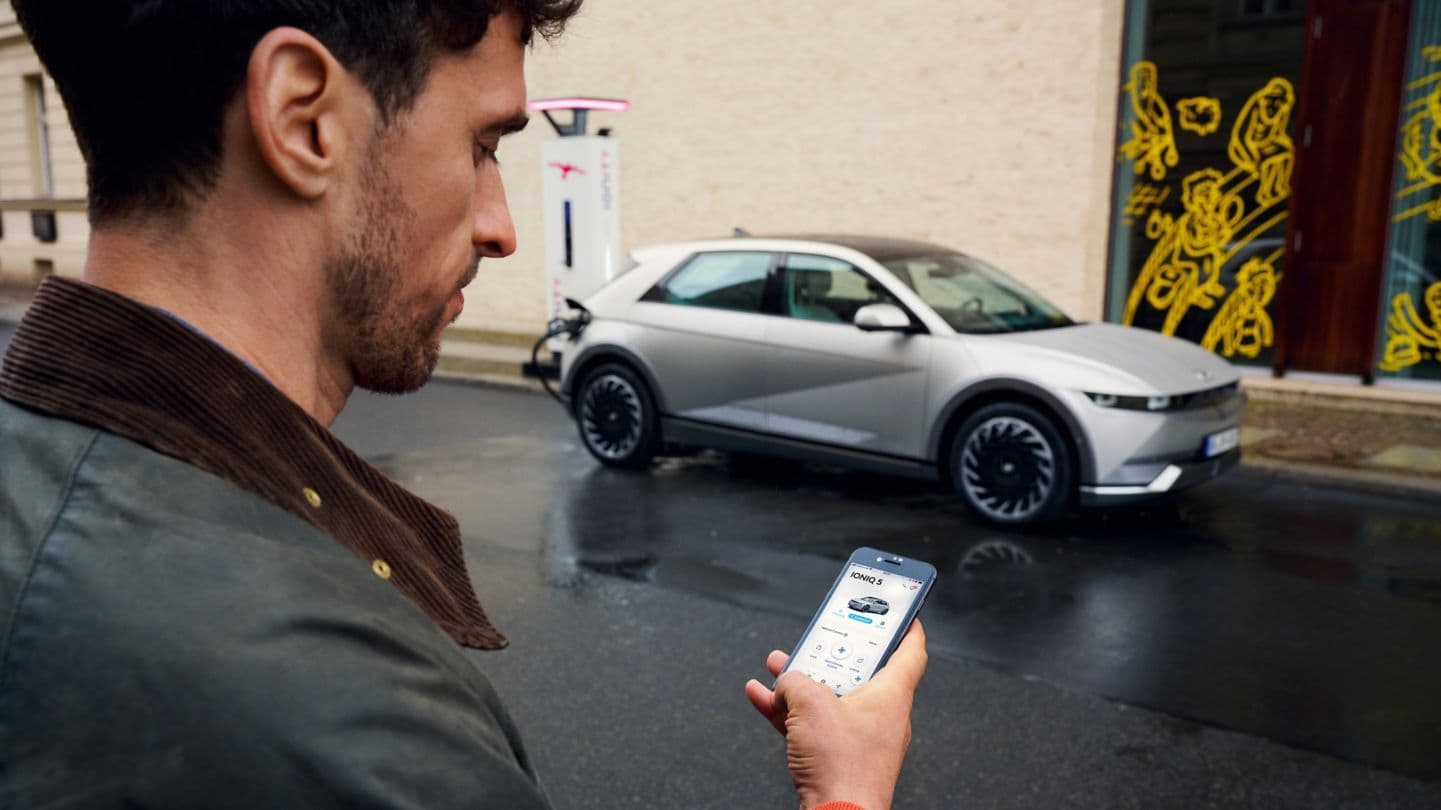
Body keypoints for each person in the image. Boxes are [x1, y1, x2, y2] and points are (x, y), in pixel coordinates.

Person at [0, 2, 928, 808]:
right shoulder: (349, 723)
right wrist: (845, 791)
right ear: (303, 119)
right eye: (483, 147)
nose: (502, 227)